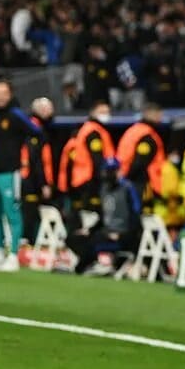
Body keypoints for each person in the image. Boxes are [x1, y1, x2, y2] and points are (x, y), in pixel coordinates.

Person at [0, 80, 44, 270]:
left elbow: (37, 133)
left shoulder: (16, 115)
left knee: (12, 214)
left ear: (10, 94)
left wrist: (27, 157)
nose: (0, 97)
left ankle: (14, 255)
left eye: (3, 93)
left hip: (10, 173)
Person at [66, 158, 142, 275]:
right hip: (105, 232)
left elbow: (135, 216)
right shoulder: (104, 189)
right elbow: (104, 216)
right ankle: (91, 263)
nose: (107, 174)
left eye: (111, 171)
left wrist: (122, 235)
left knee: (93, 244)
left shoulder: (127, 189)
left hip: (122, 235)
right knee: (72, 238)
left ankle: (81, 268)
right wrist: (89, 230)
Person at [58, 100, 115, 228]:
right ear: (93, 112)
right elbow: (97, 159)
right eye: (102, 112)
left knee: (83, 213)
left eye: (107, 112)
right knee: (91, 215)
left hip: (81, 178)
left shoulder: (91, 129)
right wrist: (104, 177)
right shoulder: (93, 132)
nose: (105, 115)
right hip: (89, 179)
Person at [20, 97, 57, 254]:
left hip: (29, 178)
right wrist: (43, 183)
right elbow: (37, 160)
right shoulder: (34, 128)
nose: (51, 112)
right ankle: (25, 246)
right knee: (29, 213)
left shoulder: (40, 128)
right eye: (48, 109)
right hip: (30, 180)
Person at [116, 102, 166, 203]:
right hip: (141, 181)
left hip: (125, 176)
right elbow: (140, 161)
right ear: (153, 114)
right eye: (159, 114)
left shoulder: (134, 130)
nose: (161, 117)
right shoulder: (147, 136)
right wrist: (130, 177)